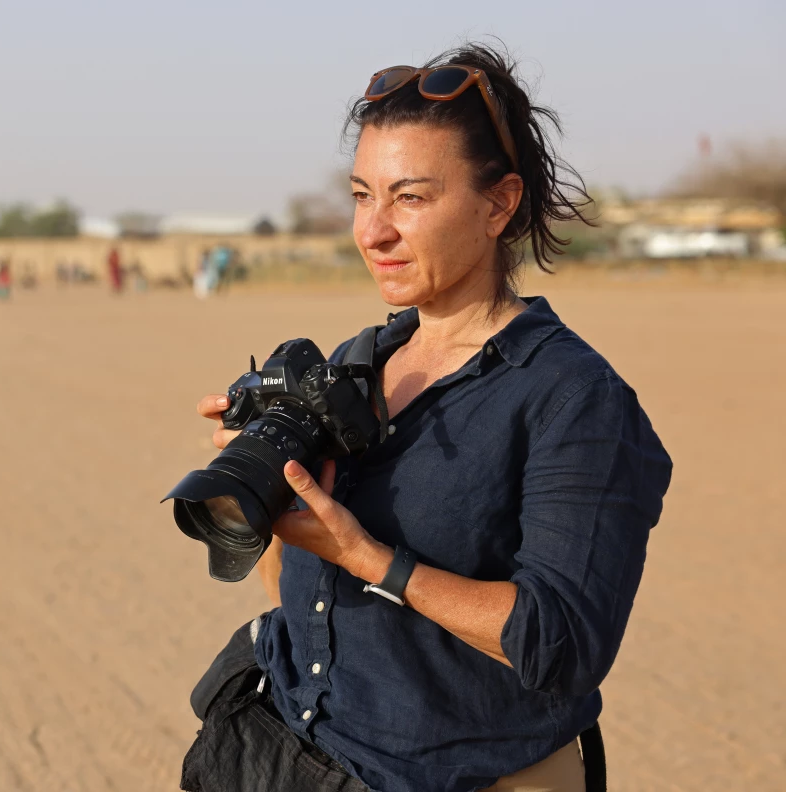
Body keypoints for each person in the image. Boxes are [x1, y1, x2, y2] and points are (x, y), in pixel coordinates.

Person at [183, 43, 672, 792]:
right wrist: (265, 487)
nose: (372, 231)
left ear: (498, 204)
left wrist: (372, 560)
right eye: (362, 195)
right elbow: (296, 588)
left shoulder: (573, 398)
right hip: (281, 750)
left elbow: (565, 644)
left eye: (409, 199)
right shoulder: (356, 362)